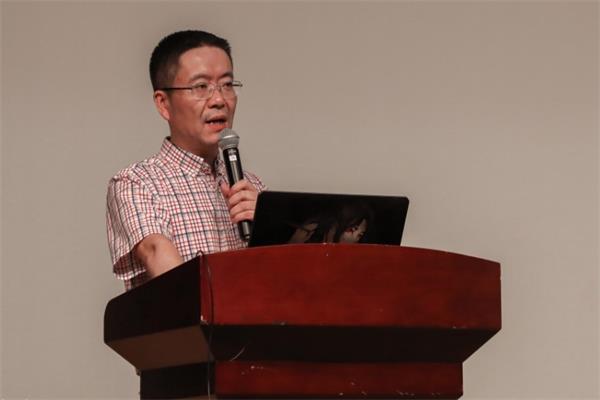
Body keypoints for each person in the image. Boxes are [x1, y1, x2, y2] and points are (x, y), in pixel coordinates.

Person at [106, 30, 265, 290]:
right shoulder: (136, 184)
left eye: (227, 85)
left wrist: (270, 228)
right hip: (188, 317)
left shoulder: (253, 186)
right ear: (163, 104)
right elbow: (157, 253)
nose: (219, 100)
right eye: (201, 87)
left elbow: (286, 286)